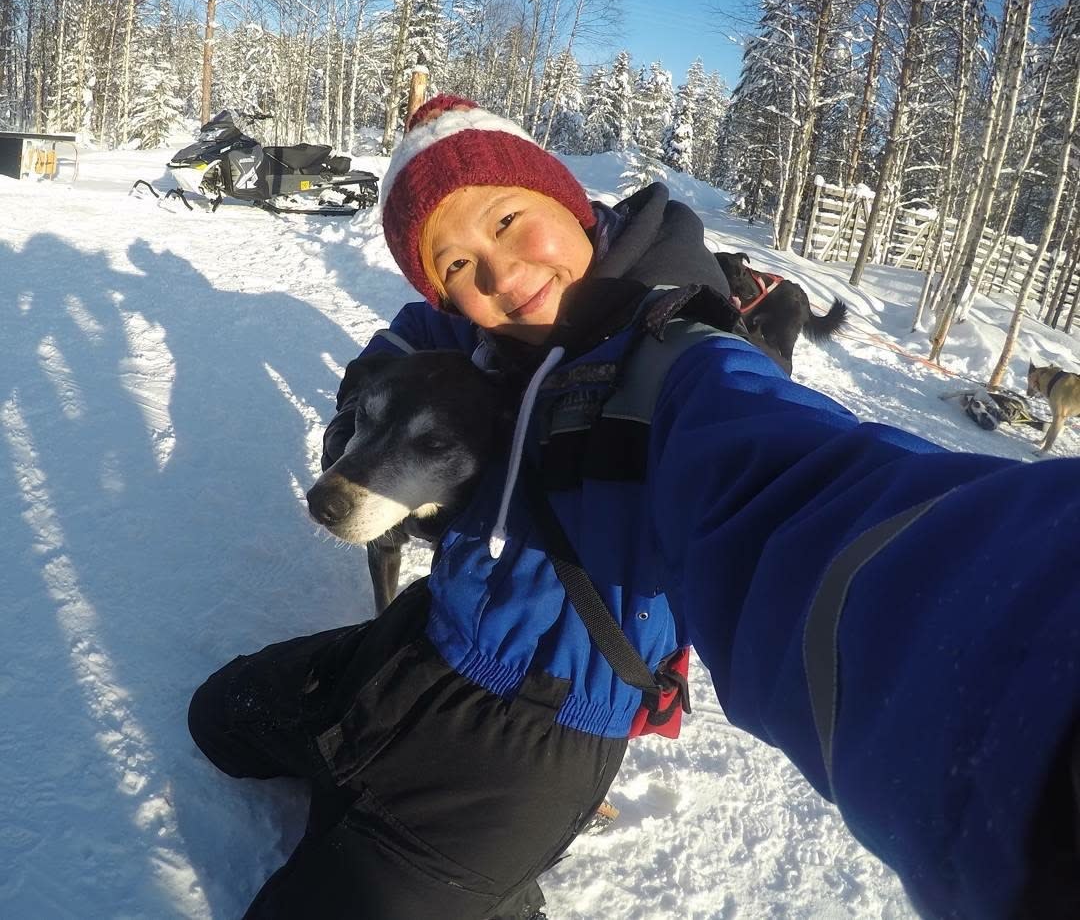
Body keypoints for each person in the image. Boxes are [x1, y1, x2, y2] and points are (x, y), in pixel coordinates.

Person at [189, 94, 1080, 920]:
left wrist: (1039, 719)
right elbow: (415, 335)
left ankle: (490, 880)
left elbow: (810, 506)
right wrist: (362, 419)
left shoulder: (684, 368)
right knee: (217, 718)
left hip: (526, 745)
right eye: (456, 263)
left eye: (508, 220)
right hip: (420, 649)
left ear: (569, 201)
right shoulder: (494, 326)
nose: (499, 273)